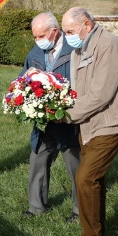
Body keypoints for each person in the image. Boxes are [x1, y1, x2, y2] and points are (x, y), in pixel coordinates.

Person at [61, 7, 118, 236]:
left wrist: (67, 114)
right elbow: (79, 86)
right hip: (89, 122)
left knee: (85, 177)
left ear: (86, 25)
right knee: (94, 178)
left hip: (111, 121)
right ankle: (98, 230)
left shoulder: (108, 44)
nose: (67, 36)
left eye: (70, 31)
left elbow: (102, 93)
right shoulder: (81, 46)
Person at [21, 12, 80, 220]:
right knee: (38, 159)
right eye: (35, 37)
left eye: (41, 36)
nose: (38, 41)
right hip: (43, 122)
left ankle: (79, 211)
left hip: (67, 120)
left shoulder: (74, 50)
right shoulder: (35, 52)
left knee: (75, 166)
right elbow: (23, 77)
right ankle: (36, 207)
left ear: (54, 32)